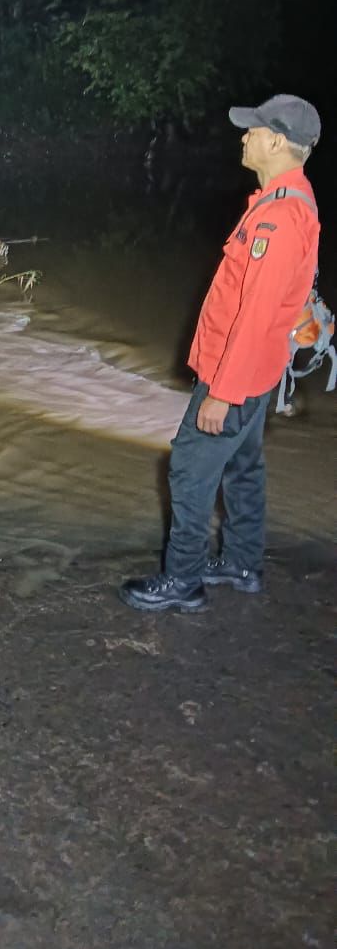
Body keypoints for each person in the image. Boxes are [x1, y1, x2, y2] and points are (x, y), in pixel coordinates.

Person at [120, 94, 322, 613]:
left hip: (238, 373)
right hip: (260, 371)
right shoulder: (289, 201)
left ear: (277, 141)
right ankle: (241, 562)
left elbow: (254, 316)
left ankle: (183, 580)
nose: (245, 136)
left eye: (253, 130)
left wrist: (222, 394)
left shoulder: (277, 220)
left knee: (189, 466)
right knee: (243, 464)